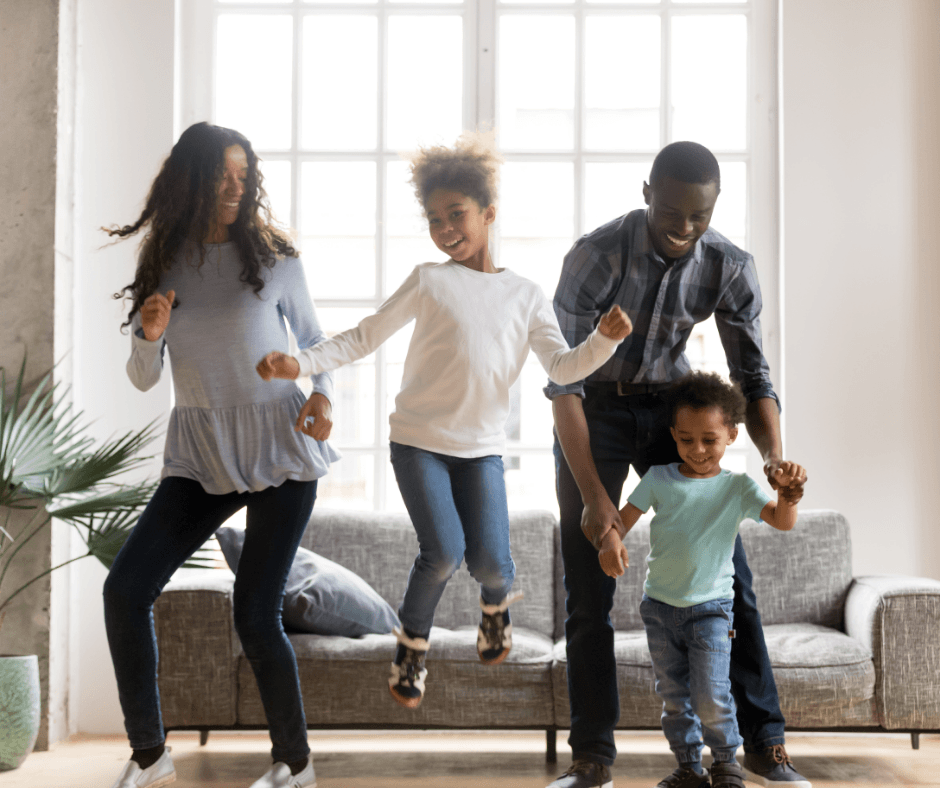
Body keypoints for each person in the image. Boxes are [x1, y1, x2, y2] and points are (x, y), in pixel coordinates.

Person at [255, 132, 633, 710]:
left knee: (491, 563)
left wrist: (603, 342)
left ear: (488, 213)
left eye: (456, 214)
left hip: (481, 450)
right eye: (434, 219)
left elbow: (562, 367)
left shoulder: (525, 295)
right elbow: (364, 336)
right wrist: (299, 364)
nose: (445, 228)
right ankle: (411, 649)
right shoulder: (429, 280)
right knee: (443, 553)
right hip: (418, 443)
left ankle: (496, 607)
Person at [546, 141, 811, 788]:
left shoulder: (729, 265)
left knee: (730, 577)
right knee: (589, 584)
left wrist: (774, 459)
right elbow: (563, 386)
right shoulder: (595, 257)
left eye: (699, 216)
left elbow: (753, 376)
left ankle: (765, 744)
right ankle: (592, 758)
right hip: (594, 410)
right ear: (647, 194)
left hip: (672, 411)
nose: (684, 227)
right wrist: (596, 501)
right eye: (671, 212)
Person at [102, 122, 337, 788]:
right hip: (201, 454)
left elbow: (316, 343)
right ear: (192, 180)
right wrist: (149, 335)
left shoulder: (274, 257)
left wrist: (323, 396)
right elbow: (143, 378)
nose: (235, 188)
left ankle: (295, 763)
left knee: (256, 614)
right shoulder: (163, 261)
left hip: (281, 447)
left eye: (243, 176)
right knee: (125, 590)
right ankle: (150, 754)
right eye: (221, 176)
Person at [598, 372, 805, 788]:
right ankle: (689, 767)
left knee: (712, 695)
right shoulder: (658, 479)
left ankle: (726, 763)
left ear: (731, 435)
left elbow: (782, 522)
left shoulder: (737, 487)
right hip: (659, 610)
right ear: (673, 435)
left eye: (709, 440)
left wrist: (788, 495)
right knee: (674, 700)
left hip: (711, 611)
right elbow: (621, 521)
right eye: (686, 439)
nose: (697, 450)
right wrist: (609, 541)